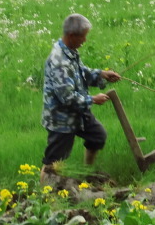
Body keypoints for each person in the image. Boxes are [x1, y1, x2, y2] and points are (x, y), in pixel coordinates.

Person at [41, 13, 121, 184]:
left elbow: (81, 72)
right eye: (83, 36)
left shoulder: (70, 51)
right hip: (62, 119)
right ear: (72, 36)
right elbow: (67, 98)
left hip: (79, 113)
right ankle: (45, 194)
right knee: (54, 161)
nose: (85, 40)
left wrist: (101, 74)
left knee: (97, 136)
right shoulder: (59, 61)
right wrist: (92, 99)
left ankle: (87, 174)